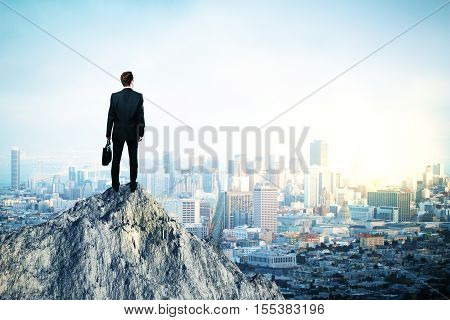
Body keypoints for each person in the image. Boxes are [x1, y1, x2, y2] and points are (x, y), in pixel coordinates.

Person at [106, 71, 145, 192]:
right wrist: (141, 132)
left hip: (118, 132)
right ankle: (133, 185)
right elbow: (140, 117)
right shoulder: (138, 96)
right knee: (133, 159)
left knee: (116, 160)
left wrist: (108, 134)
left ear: (122, 82)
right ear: (132, 81)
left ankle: (115, 185)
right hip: (133, 132)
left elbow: (110, 116)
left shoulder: (114, 96)